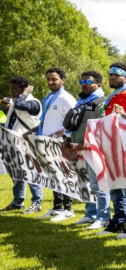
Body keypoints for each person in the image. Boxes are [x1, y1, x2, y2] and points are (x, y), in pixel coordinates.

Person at [97, 62, 126, 237]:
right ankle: (119, 220)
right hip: (112, 147)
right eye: (110, 74)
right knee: (115, 185)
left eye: (117, 74)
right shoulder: (113, 96)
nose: (113, 77)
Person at [31, 67, 77, 221]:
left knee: (64, 175)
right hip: (46, 142)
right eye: (48, 79)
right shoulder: (49, 97)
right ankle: (57, 207)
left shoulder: (66, 98)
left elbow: (74, 120)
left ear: (63, 80)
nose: (50, 82)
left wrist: (60, 134)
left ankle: (68, 209)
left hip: (60, 143)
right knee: (53, 175)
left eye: (54, 79)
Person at [64, 72, 108, 228]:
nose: (84, 84)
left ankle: (103, 217)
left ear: (98, 84)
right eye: (82, 81)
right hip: (78, 147)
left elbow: (102, 126)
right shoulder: (81, 101)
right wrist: (68, 138)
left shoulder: (101, 101)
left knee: (98, 184)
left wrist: (86, 141)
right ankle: (90, 214)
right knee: (84, 183)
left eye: (88, 82)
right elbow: (74, 123)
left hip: (93, 148)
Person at [0, 76, 43, 213]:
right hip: (13, 142)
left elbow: (20, 106)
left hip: (26, 143)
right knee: (15, 172)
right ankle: (18, 201)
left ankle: (37, 202)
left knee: (30, 173)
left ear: (24, 89)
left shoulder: (33, 102)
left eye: (14, 88)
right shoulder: (17, 101)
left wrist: (24, 94)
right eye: (10, 88)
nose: (11, 91)